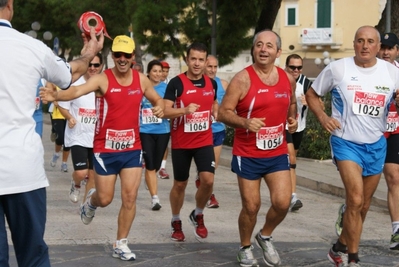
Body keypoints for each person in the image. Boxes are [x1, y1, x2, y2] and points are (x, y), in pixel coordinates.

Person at [41, 35, 164, 261]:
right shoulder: (103, 79)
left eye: (127, 55)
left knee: (130, 197)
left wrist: (158, 107)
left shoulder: (141, 80)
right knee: (105, 199)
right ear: (112, 56)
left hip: (131, 148)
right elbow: (76, 91)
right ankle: (91, 203)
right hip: (105, 150)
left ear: (133, 56)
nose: (122, 59)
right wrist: (56, 95)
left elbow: (157, 99)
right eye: (118, 54)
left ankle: (121, 243)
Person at [0, 0, 104, 266]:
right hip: (22, 169)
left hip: (21, 170)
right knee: (33, 256)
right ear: (9, 5)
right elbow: (70, 73)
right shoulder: (31, 47)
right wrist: (89, 51)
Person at [306, 26, 399, 267]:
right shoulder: (338, 68)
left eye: (370, 42)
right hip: (345, 141)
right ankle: (353, 259)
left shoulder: (392, 73)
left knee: (363, 205)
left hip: (376, 144)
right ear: (354, 44)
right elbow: (312, 94)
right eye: (360, 41)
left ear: (378, 47)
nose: (365, 46)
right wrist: (324, 118)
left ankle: (339, 247)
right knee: (356, 200)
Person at [218, 30, 297, 267]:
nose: (264, 49)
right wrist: (245, 122)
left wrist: (291, 119)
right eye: (259, 45)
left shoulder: (287, 78)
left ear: (278, 52)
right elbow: (222, 113)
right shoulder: (243, 79)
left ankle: (264, 235)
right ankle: (244, 246)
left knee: (283, 203)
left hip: (276, 151)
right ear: (254, 50)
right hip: (248, 153)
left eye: (269, 46)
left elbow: (291, 102)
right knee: (251, 206)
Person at [334, 32, 399, 252]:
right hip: (354, 139)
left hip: (389, 133)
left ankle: (396, 228)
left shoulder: (394, 73)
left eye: (390, 48)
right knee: (358, 198)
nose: (386, 52)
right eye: (384, 49)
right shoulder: (359, 68)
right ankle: (352, 254)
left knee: (393, 179)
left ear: (396, 51)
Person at [163, 42, 218, 242]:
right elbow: (164, 110)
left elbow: (213, 102)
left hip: (204, 140)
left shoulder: (211, 83)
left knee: (208, 181)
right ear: (187, 59)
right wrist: (183, 111)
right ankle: (176, 220)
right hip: (181, 143)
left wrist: (216, 111)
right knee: (180, 184)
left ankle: (198, 213)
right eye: (193, 59)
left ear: (206, 62)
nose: (196, 63)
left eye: (201, 60)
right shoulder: (176, 84)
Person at [57, 53, 103, 204]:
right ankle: (75, 183)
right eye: (90, 64)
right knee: (82, 172)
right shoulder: (75, 84)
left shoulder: (104, 85)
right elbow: (63, 106)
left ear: (101, 66)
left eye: (96, 65)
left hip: (97, 137)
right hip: (78, 136)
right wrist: (69, 117)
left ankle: (85, 204)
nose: (92, 68)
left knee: (93, 175)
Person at [195, 54, 229, 208]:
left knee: (213, 165)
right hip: (200, 131)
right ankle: (210, 195)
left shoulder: (223, 84)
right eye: (210, 66)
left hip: (217, 129)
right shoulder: (195, 84)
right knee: (207, 167)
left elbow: (231, 104)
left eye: (215, 67)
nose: (212, 70)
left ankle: (201, 181)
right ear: (203, 66)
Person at [140, 59, 170, 210]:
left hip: (163, 130)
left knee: (156, 164)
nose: (158, 74)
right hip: (145, 130)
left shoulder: (167, 88)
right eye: (155, 71)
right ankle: (155, 198)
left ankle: (149, 177)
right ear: (149, 73)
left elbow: (171, 108)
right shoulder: (142, 86)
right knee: (150, 164)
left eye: (160, 71)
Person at [284, 54, 313, 212]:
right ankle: (292, 196)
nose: (296, 70)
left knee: (290, 163)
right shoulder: (279, 79)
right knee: (291, 160)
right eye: (292, 67)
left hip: (298, 128)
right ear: (286, 66)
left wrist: (309, 102)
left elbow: (318, 103)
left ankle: (289, 195)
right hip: (281, 127)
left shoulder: (306, 83)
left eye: (299, 67)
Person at [48, 84, 71, 172]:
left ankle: (64, 163)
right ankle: (56, 154)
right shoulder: (56, 82)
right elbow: (50, 93)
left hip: (70, 114)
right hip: (58, 114)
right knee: (60, 138)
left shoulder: (74, 83)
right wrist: (54, 99)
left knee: (68, 140)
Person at [158, 60, 172, 179]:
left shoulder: (169, 85)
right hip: (147, 123)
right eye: (162, 71)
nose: (164, 74)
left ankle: (162, 167)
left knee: (164, 145)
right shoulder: (148, 83)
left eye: (166, 72)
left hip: (163, 122)